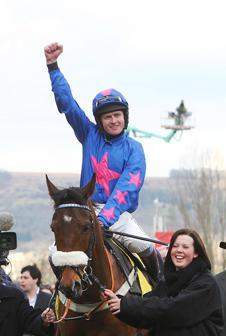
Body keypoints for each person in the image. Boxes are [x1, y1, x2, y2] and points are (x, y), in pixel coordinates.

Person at [43, 41, 162, 281]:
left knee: (145, 247)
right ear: (100, 121)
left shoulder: (134, 149)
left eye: (117, 115)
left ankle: (161, 288)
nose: (113, 120)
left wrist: (104, 219)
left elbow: (127, 188)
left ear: (125, 117)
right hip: (84, 211)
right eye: (108, 117)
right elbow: (68, 104)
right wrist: (53, 67)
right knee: (54, 253)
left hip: (116, 215)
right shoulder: (89, 134)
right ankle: (61, 297)